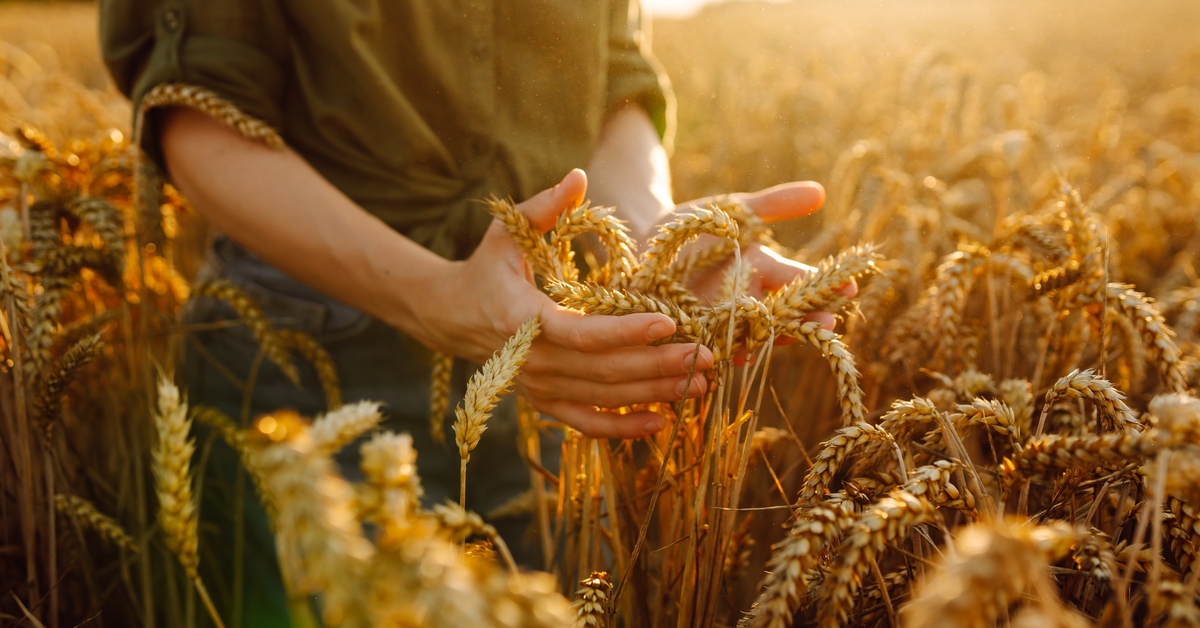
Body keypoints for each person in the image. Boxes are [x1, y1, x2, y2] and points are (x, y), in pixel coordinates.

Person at [101, 0, 842, 625]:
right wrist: (438, 298)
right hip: (307, 355)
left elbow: (610, 82)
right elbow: (197, 112)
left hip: (546, 348)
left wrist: (654, 233)